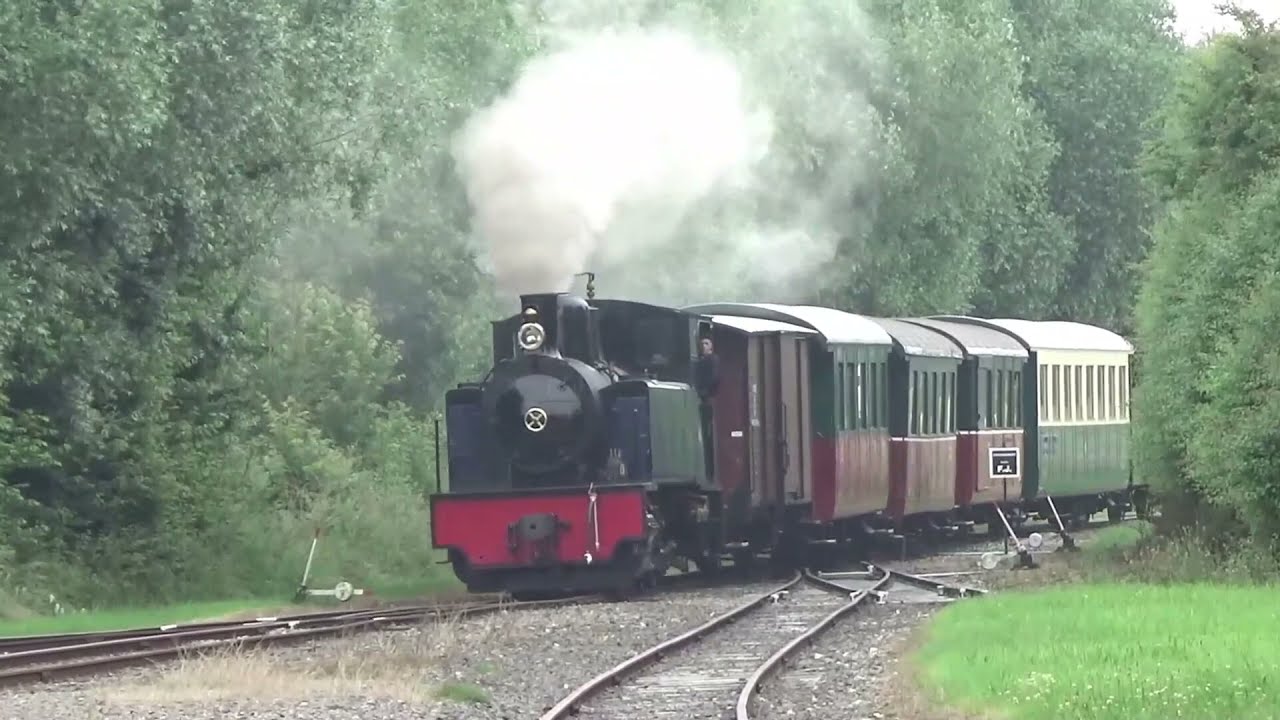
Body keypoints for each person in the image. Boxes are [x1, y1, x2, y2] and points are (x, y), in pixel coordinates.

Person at [694, 336, 719, 480]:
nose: (703, 346)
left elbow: (713, 378)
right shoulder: (699, 362)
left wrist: (704, 392)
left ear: (711, 347)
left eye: (706, 343)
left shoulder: (712, 360)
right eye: (702, 343)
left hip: (707, 397)